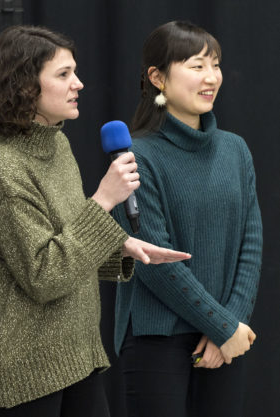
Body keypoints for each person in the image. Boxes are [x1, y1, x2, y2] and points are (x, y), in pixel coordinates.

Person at [0, 25, 191, 417]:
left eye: (76, 72)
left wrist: (120, 247)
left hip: (77, 358)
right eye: (64, 74)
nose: (79, 84)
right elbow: (44, 273)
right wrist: (103, 201)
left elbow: (65, 244)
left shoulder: (56, 142)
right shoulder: (3, 168)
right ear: (25, 86)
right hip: (27, 372)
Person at [112, 21, 263, 417]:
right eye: (197, 66)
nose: (211, 77)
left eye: (215, 65)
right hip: (156, 340)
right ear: (157, 77)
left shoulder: (235, 150)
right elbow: (154, 263)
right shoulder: (137, 156)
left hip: (227, 337)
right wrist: (221, 325)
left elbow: (251, 244)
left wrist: (229, 325)